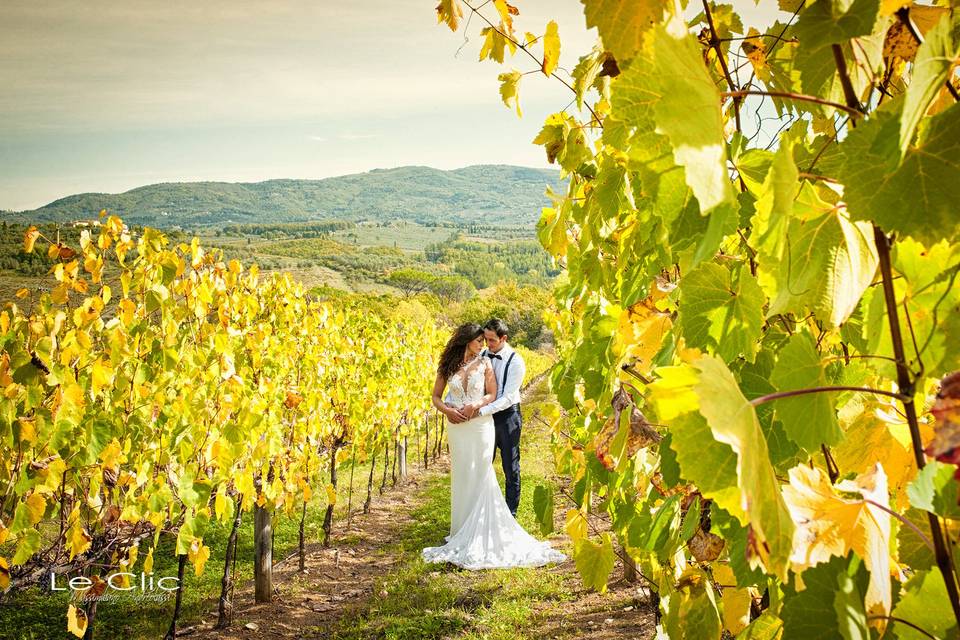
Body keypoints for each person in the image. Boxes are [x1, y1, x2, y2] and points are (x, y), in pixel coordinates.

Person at [421, 323, 565, 570]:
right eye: (480, 341)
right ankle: (461, 528)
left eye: (487, 341)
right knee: (462, 473)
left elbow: (495, 394)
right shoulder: (448, 365)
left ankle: (494, 521)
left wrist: (476, 407)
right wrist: (447, 411)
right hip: (457, 427)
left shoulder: (493, 362)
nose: (484, 346)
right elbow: (436, 396)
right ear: (467, 341)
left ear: (501, 338)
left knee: (489, 470)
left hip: (483, 423)